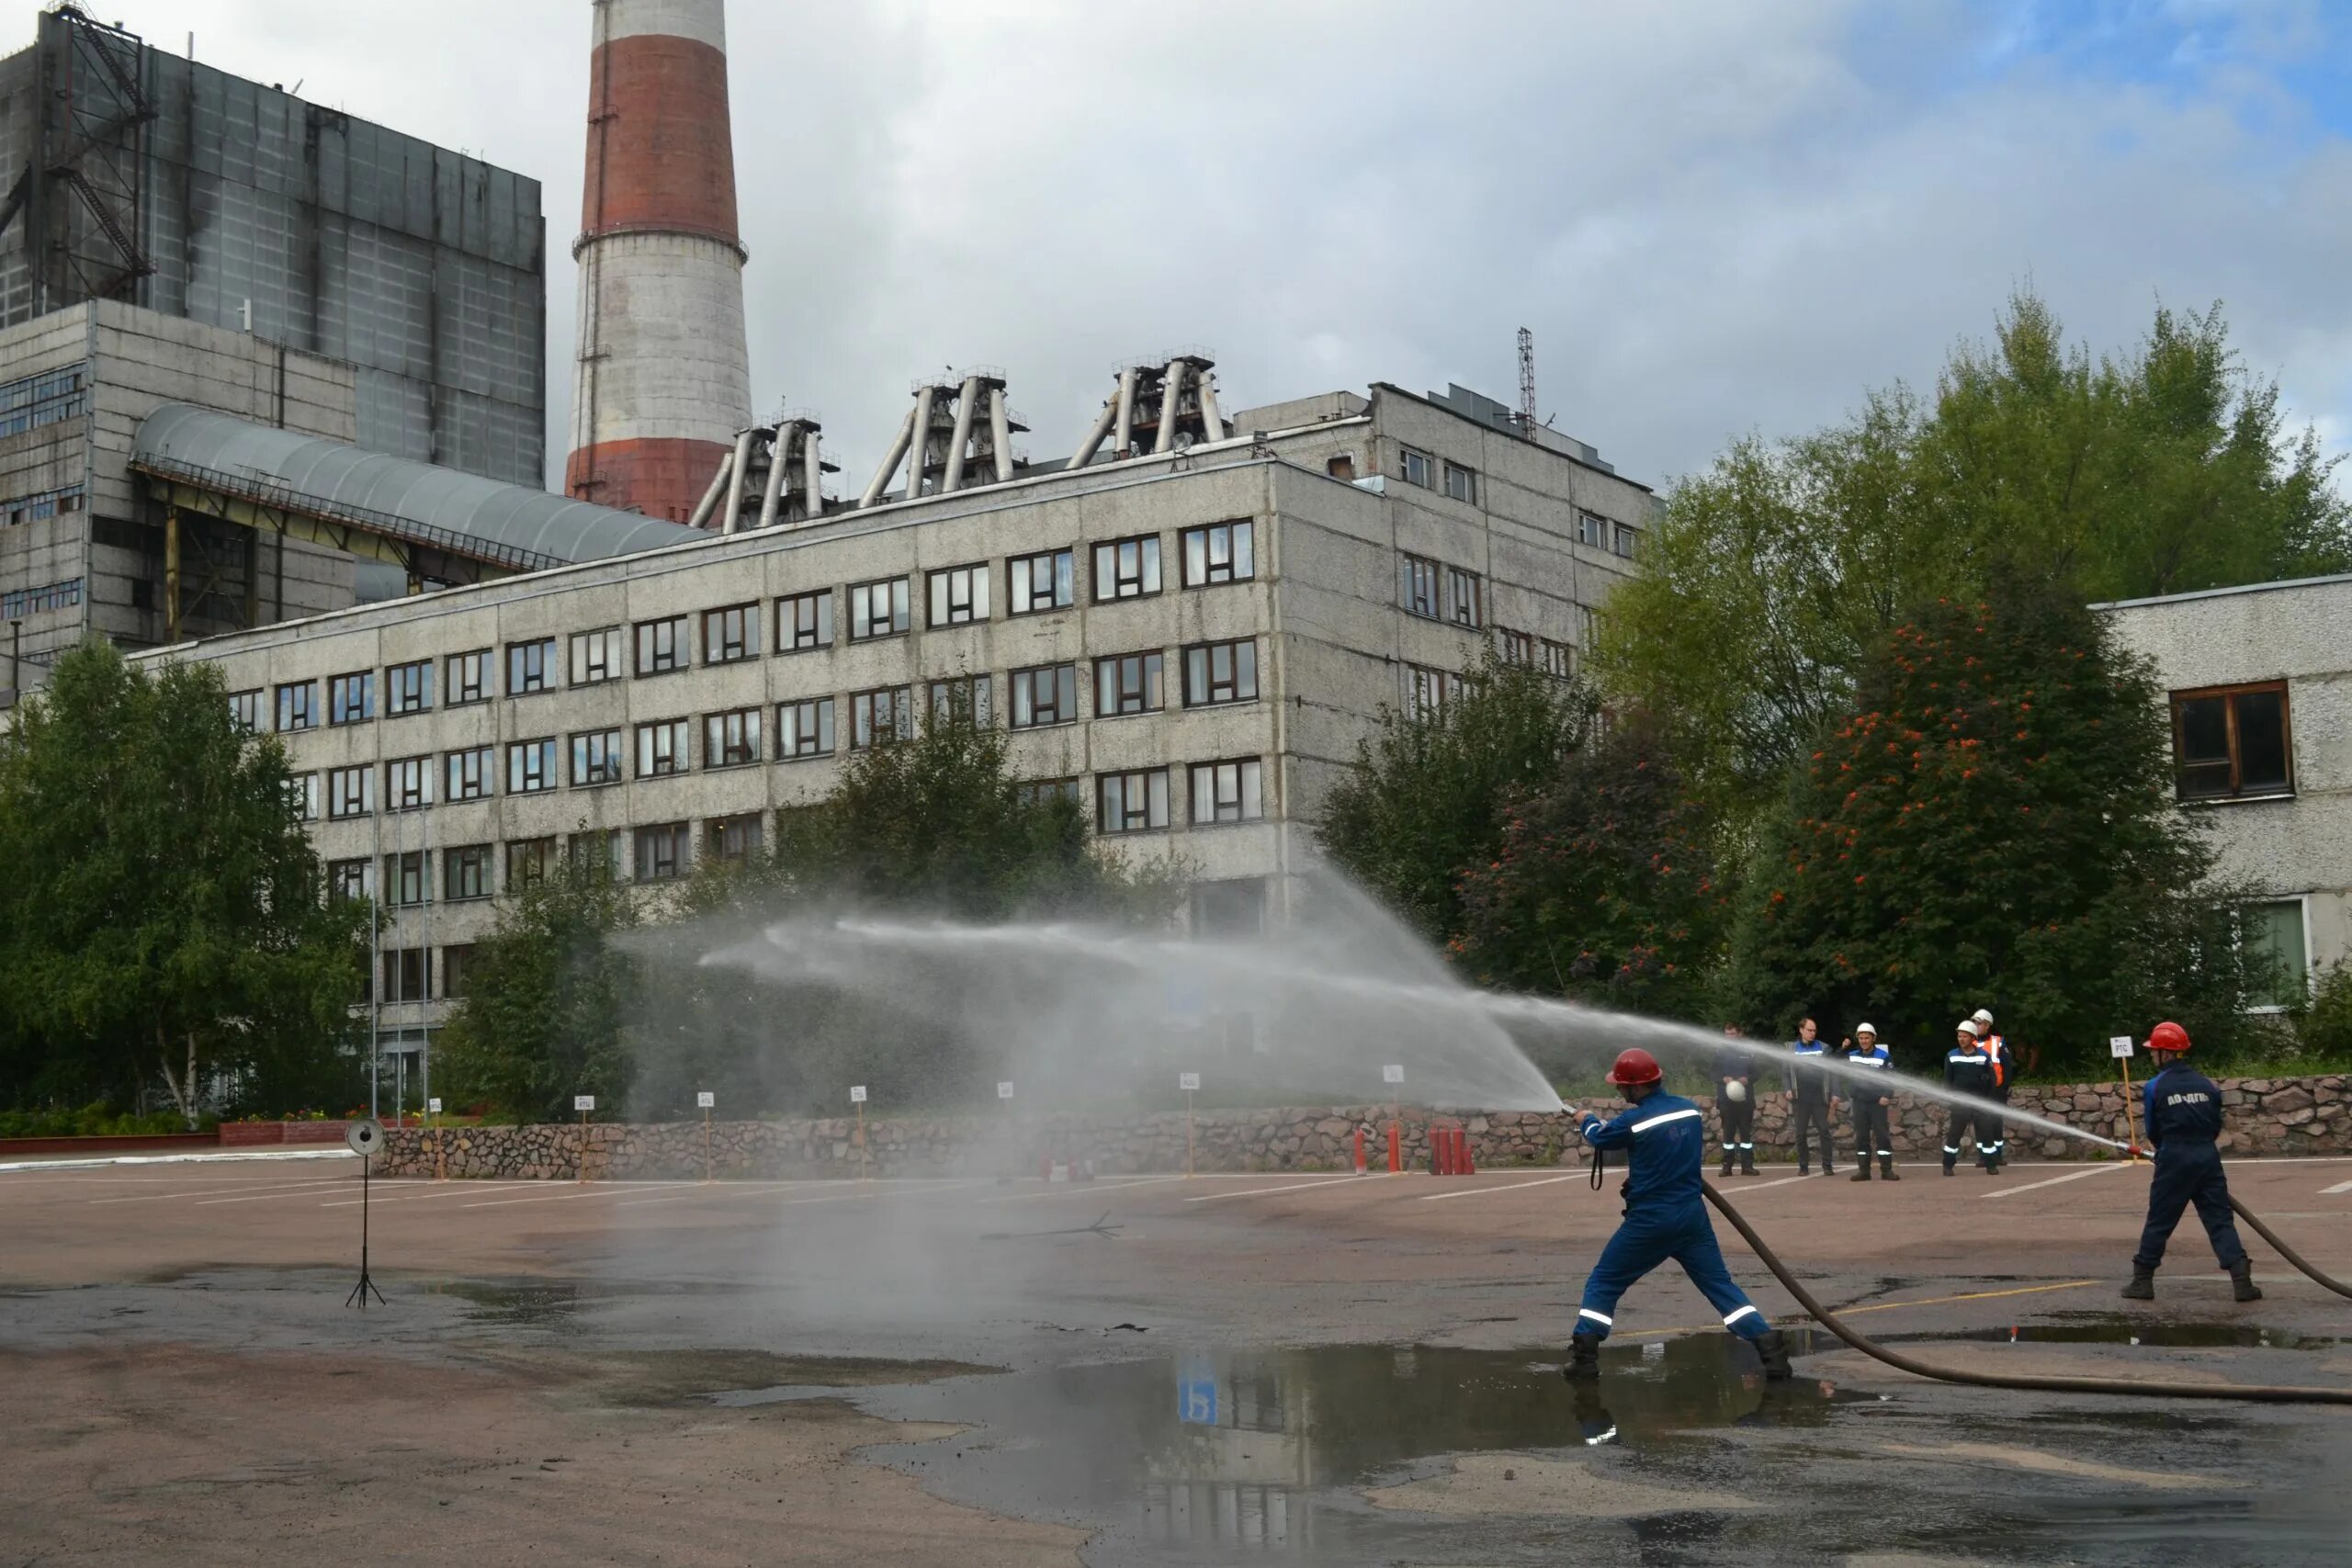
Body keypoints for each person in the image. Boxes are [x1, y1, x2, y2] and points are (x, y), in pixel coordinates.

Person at [1565, 1048, 1792, 1382]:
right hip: (1691, 1218)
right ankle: (1769, 1348)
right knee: (1719, 1285)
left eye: (1621, 1085)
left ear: (1637, 1087)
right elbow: (1664, 1152)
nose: (1618, 1090)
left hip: (1651, 1221)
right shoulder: (1688, 1110)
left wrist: (1585, 1118)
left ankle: (1584, 1358)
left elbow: (1600, 1138)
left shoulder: (1632, 1120)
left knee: (1605, 1281)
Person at [2123, 1021, 2259, 1303]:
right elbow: (2215, 1125)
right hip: (2207, 1156)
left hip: (2174, 1156)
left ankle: (2142, 1281)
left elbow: (2153, 1128)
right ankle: (2242, 1281)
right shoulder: (2207, 1085)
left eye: (2154, 1050)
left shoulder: (2154, 1086)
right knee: (2220, 1219)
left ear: (2166, 1053)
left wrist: (2165, 1152)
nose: (2151, 1055)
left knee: (2160, 1220)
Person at [1941, 1021, 2001, 1176]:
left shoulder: (1983, 1056)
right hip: (1960, 1103)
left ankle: (1991, 1165)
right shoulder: (1951, 1055)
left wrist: (1987, 1096)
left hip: (1980, 1102)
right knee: (1954, 1135)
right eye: (1959, 1036)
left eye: (1964, 1036)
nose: (1961, 1039)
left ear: (1973, 1037)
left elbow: (1993, 1080)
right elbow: (1948, 1079)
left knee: (1986, 1135)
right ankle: (1948, 1165)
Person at [1844, 1024, 1899, 1181]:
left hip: (1877, 1103)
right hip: (1859, 1102)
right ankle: (1864, 1171)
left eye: (1867, 1038)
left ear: (1873, 1038)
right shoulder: (1852, 1055)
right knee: (1861, 1137)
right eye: (1861, 1038)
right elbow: (1836, 1064)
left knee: (1882, 1136)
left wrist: (1887, 1094)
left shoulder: (1883, 1056)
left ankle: (1886, 1171)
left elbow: (1891, 1077)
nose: (1864, 1041)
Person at [1786, 1017, 1838, 1175]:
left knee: (1824, 1130)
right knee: (1801, 1134)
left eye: (1814, 1030)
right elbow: (1785, 1071)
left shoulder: (1824, 1048)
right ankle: (1803, 1166)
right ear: (1801, 1030)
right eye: (1809, 1030)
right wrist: (1788, 1088)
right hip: (1800, 1097)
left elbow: (1833, 1072)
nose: (1812, 1033)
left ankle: (1827, 1166)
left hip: (1819, 1096)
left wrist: (1835, 1093)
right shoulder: (1791, 1049)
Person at [1714, 1024, 1758, 1177]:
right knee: (1728, 1135)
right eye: (1727, 1034)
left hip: (1745, 1100)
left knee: (1746, 1135)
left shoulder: (1749, 1051)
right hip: (1726, 1100)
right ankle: (1727, 1166)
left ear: (1740, 1033)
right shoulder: (1720, 1051)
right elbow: (1712, 1072)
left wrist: (1748, 1079)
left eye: (1732, 1034)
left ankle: (1747, 1166)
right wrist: (1722, 1078)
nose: (1729, 1037)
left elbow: (1757, 1073)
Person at [1973, 1007, 2010, 1171]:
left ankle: (1997, 1155)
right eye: (1974, 1022)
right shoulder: (1970, 1042)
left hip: (1995, 1090)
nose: (1976, 1025)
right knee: (1980, 1124)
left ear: (1987, 1025)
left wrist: (2003, 1089)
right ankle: (1983, 1156)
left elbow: (2007, 1067)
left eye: (1978, 1023)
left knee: (1995, 1123)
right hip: (1977, 1091)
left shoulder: (1998, 1042)